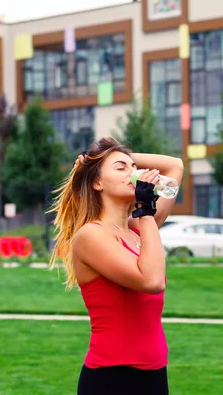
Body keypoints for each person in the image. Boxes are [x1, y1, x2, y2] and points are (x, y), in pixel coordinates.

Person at [49, 137, 184, 395]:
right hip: (113, 378)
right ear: (97, 183)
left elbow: (175, 166)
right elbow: (151, 281)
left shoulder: (138, 229)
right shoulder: (91, 236)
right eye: (120, 168)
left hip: (155, 375)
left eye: (133, 168)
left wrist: (117, 156)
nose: (132, 173)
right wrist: (145, 209)